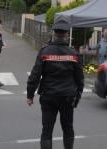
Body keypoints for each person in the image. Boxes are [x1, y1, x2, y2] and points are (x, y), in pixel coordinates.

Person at [26, 18, 84, 149]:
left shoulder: (44, 52)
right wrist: (78, 96)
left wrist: (30, 95)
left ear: (53, 33)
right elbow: (80, 79)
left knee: (47, 129)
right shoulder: (74, 54)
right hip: (68, 97)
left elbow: (35, 75)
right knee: (68, 127)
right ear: (67, 35)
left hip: (48, 96)